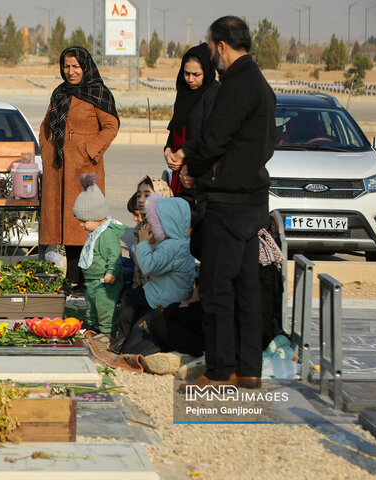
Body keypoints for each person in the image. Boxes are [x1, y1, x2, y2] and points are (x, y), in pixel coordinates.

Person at [175, 16, 276, 391]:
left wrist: (193, 170)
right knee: (247, 290)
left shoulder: (237, 84)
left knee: (218, 289)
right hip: (252, 202)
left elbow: (215, 139)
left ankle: (219, 372)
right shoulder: (261, 83)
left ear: (220, 46)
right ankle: (248, 370)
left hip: (229, 203)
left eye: (210, 45)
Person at [39, 46, 120, 289]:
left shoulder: (98, 92)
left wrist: (89, 150)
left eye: (76, 66)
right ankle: (72, 277)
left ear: (85, 67)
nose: (71, 71)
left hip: (85, 168)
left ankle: (87, 277)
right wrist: (46, 149)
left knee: (85, 220)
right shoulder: (59, 93)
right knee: (65, 223)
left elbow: (111, 125)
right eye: (66, 66)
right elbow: (46, 124)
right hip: (59, 166)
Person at [109, 193, 196, 357]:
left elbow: (148, 267)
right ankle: (127, 336)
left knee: (129, 298)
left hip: (162, 297)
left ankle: (122, 338)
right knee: (135, 296)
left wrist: (142, 243)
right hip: (167, 291)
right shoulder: (182, 242)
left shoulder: (171, 247)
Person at [72, 173, 126, 336]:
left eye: (84, 220)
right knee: (92, 305)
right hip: (92, 279)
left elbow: (114, 255)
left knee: (105, 307)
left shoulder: (107, 235)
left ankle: (108, 331)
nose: (81, 225)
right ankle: (94, 327)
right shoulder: (95, 232)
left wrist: (111, 271)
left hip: (104, 280)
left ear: (96, 216)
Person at [163, 43, 219, 199]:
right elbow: (176, 128)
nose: (190, 79)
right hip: (178, 171)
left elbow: (211, 133)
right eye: (186, 73)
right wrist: (168, 151)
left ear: (206, 72)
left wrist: (183, 152)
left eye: (196, 74)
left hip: (200, 174)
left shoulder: (214, 94)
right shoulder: (184, 93)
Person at [125, 175, 172, 289]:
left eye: (147, 195)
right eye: (138, 195)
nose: (141, 200)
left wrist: (142, 246)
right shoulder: (145, 224)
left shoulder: (163, 228)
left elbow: (151, 267)